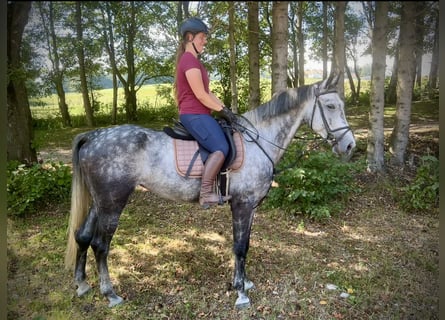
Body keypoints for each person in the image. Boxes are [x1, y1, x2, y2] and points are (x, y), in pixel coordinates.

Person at [173, 17, 237, 209]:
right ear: (190, 37)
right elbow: (200, 95)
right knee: (221, 148)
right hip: (194, 114)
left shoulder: (193, 61)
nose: (205, 41)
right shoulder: (189, 61)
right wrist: (221, 111)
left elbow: (208, 92)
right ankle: (206, 193)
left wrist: (225, 108)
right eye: (202, 37)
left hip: (200, 113)